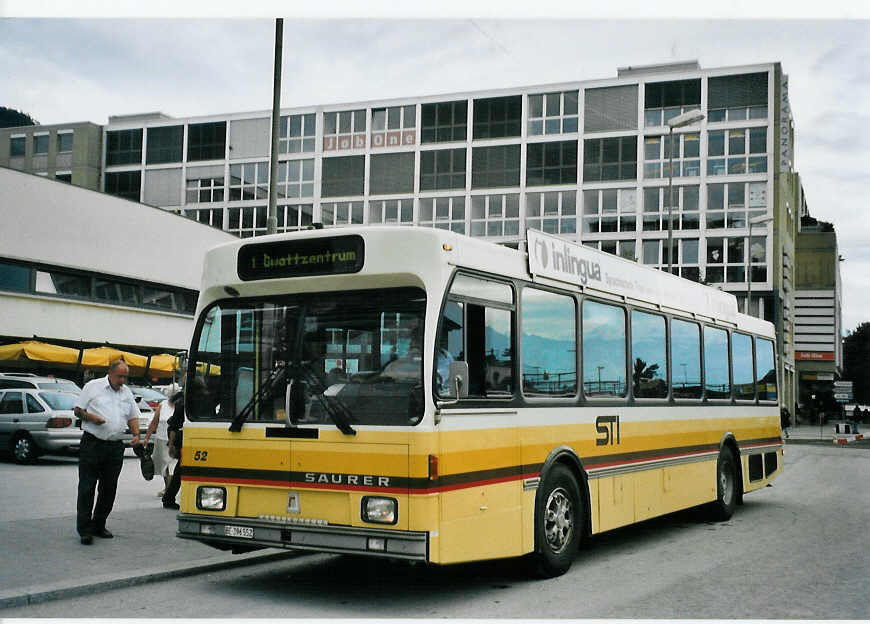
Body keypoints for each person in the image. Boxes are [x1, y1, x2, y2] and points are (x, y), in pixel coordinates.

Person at [74, 359, 142, 545]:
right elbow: (78, 411)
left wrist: (136, 434)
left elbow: (132, 416)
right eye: (120, 376)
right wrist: (91, 417)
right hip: (93, 443)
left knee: (109, 487)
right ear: (110, 373)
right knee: (87, 487)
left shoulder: (126, 393)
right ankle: (84, 529)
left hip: (115, 446)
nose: (122, 380)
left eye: (125, 377)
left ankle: (99, 524)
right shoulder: (93, 387)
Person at [143, 391, 180, 498]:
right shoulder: (162, 405)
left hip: (174, 441)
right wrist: (146, 438)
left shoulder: (182, 406)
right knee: (163, 466)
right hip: (161, 439)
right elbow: (154, 422)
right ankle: (167, 488)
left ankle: (169, 493)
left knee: (170, 466)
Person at [162, 391, 185, 510]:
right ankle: (168, 498)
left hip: (186, 439)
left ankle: (168, 498)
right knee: (179, 471)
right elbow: (174, 427)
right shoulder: (183, 403)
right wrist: (171, 445)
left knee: (179, 471)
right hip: (185, 440)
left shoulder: (185, 400)